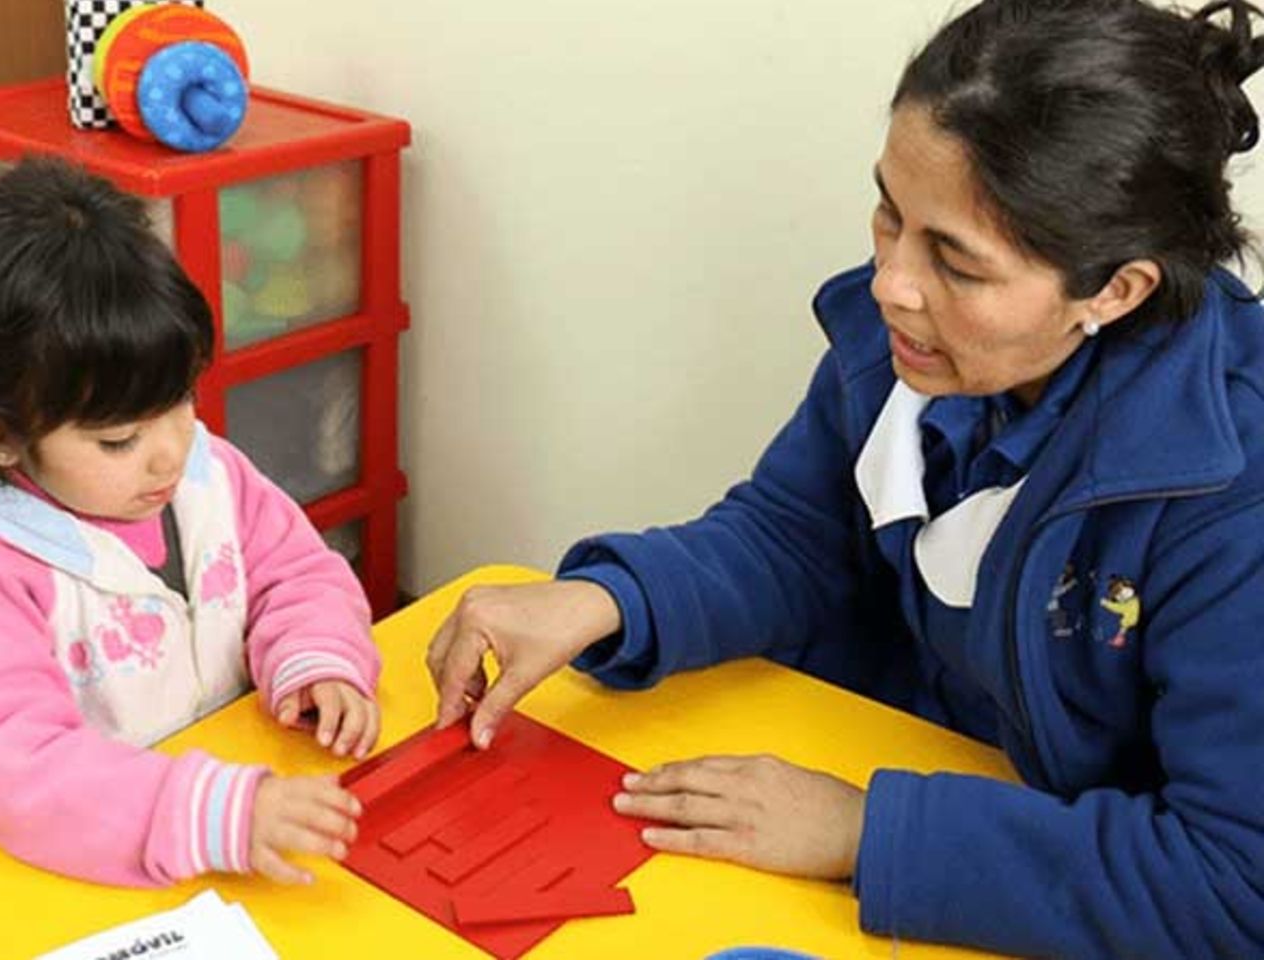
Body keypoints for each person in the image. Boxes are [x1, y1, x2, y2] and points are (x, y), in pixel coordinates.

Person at [427, 1, 1264, 956]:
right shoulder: (915, 347)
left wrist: (863, 832)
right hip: (892, 768)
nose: (891, 284)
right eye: (890, 214)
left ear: (1115, 290)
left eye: (956, 263)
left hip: (1037, 881)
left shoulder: (1231, 493)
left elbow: (1234, 883)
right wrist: (610, 599)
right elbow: (795, 536)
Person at [0, 157, 381, 888]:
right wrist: (209, 813)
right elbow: (20, 768)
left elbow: (296, 572)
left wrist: (314, 656)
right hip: (43, 880)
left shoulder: (208, 474)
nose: (172, 451)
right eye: (119, 440)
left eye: (180, 400)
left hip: (219, 836)